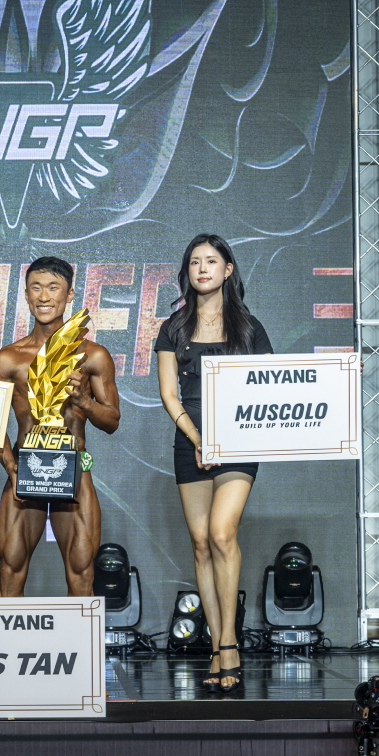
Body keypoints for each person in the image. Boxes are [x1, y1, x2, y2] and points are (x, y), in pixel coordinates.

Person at [154, 233, 272, 696]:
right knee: (202, 544)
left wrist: (337, 379)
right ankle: (217, 644)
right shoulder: (173, 328)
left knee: (223, 533)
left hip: (239, 442)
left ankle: (229, 643)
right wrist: (198, 439)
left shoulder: (249, 328)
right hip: (191, 443)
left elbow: (275, 384)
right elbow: (169, 394)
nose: (202, 268)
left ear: (228, 270)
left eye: (211, 261)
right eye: (195, 262)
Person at [0, 257, 120, 597]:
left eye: (53, 288)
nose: (44, 296)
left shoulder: (93, 356)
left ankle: (79, 637)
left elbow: (112, 421)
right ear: (26, 295)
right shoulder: (7, 359)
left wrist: (84, 401)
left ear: (69, 294)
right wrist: (10, 466)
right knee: (10, 569)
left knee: (82, 572)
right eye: (36, 288)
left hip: (73, 466)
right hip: (25, 466)